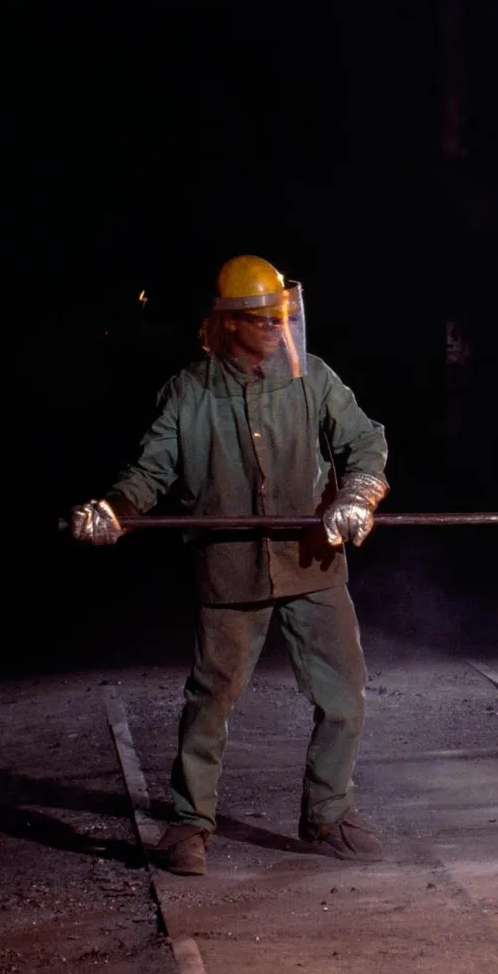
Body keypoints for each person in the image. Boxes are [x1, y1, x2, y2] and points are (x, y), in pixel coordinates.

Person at [70, 255, 389, 876]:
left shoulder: (312, 378)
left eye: (282, 316)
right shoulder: (190, 393)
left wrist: (357, 495)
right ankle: (189, 824)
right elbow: (150, 471)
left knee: (345, 696)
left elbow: (365, 441)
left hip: (311, 562)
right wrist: (114, 507)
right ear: (229, 324)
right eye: (263, 319)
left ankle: (327, 813)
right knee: (210, 700)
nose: (277, 327)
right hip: (231, 569)